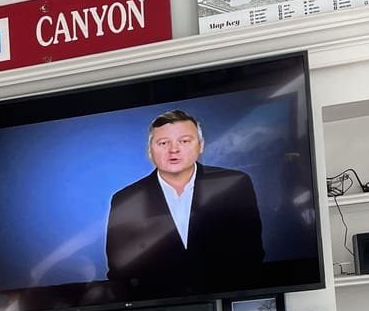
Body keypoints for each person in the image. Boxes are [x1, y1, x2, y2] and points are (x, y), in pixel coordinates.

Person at [105, 108, 265, 296]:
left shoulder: (235, 184)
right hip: (158, 308)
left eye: (184, 141)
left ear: (201, 146)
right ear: (150, 151)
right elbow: (119, 270)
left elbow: (251, 254)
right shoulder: (125, 199)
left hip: (225, 298)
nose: (174, 149)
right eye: (163, 143)